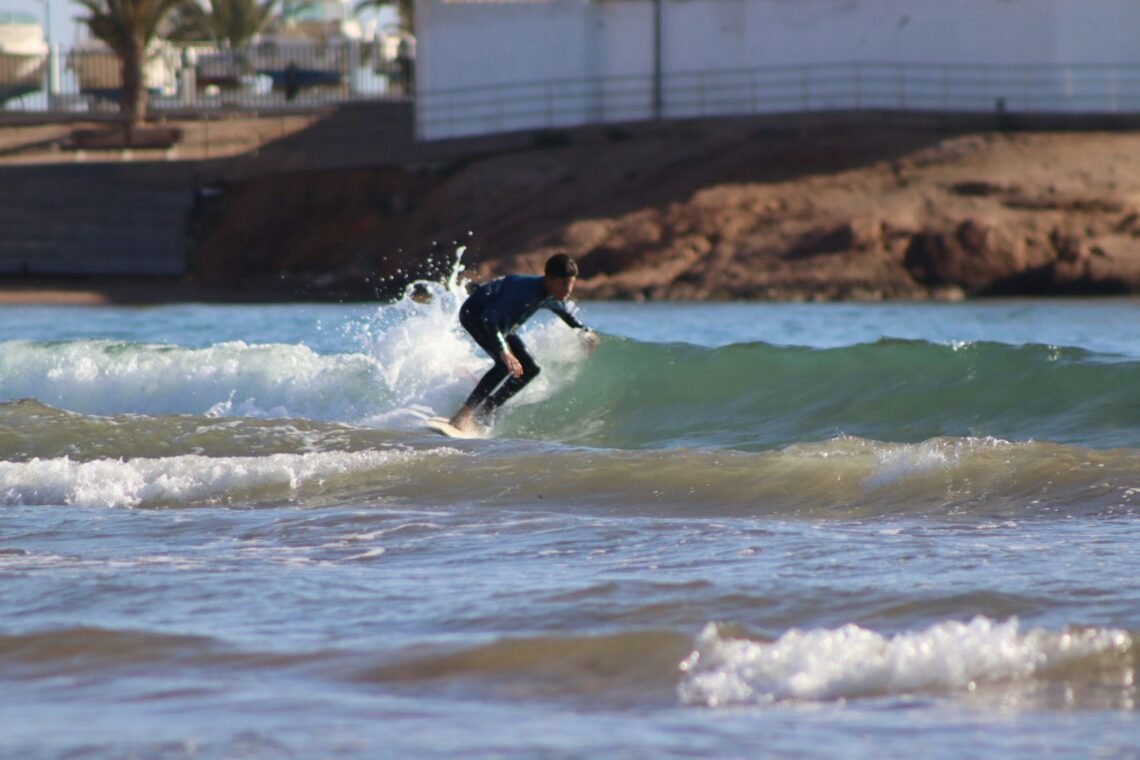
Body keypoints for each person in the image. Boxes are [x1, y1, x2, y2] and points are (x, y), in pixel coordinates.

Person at [449, 253, 594, 433]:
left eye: (571, 284)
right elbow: (489, 319)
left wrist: (585, 332)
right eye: (564, 284)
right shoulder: (525, 293)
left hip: (500, 325)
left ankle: (487, 408)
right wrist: (505, 351)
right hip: (476, 315)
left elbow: (565, 314)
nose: (569, 290)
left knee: (531, 368)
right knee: (505, 364)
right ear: (549, 279)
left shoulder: (549, 295)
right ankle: (462, 415)